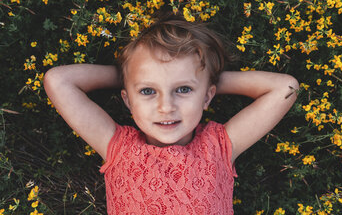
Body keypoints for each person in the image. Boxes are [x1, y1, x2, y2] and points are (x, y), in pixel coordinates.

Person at [44, 14, 299, 214]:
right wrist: (129, 76)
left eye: (184, 89)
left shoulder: (219, 146)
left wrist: (206, 78)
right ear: (128, 100)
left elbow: (285, 88)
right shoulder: (118, 147)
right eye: (147, 91)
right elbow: (58, 81)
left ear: (208, 96)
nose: (166, 106)